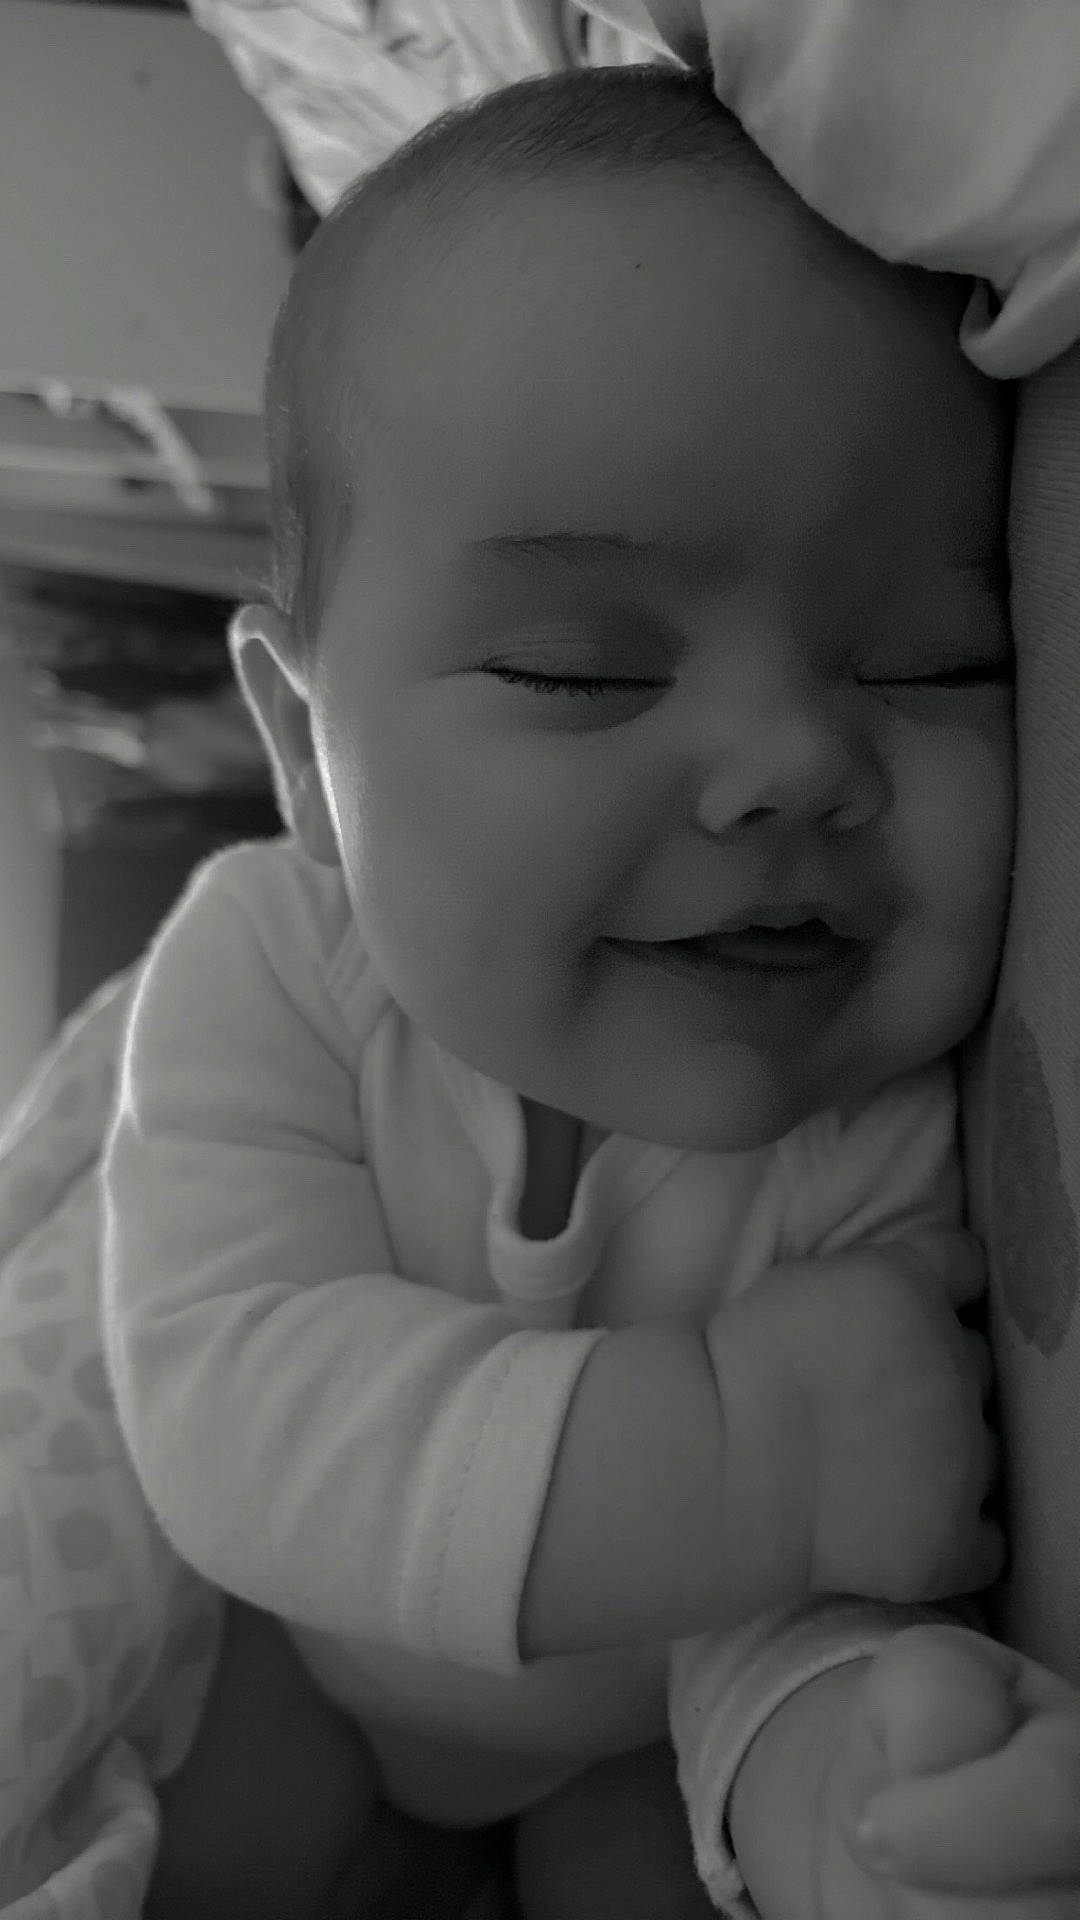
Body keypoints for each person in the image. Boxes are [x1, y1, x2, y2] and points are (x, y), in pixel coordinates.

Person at [96, 63, 1077, 1920]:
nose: (791, 760)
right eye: (575, 673)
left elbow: (815, 1590)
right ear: (306, 752)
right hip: (296, 1671)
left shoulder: (869, 1106)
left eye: (938, 660)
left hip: (636, 1734)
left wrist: (866, 1771)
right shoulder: (266, 975)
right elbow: (230, 1398)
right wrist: (741, 1449)